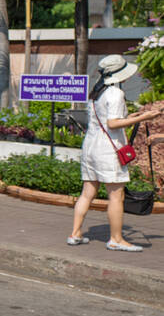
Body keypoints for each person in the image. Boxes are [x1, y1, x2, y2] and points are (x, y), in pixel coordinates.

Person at [69, 55, 161, 251]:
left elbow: (108, 119)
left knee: (87, 193)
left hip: (91, 147)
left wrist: (133, 116)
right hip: (108, 150)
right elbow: (113, 123)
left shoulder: (97, 92)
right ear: (120, 75)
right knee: (116, 196)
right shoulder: (116, 93)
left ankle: (75, 233)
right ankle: (116, 239)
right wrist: (144, 116)